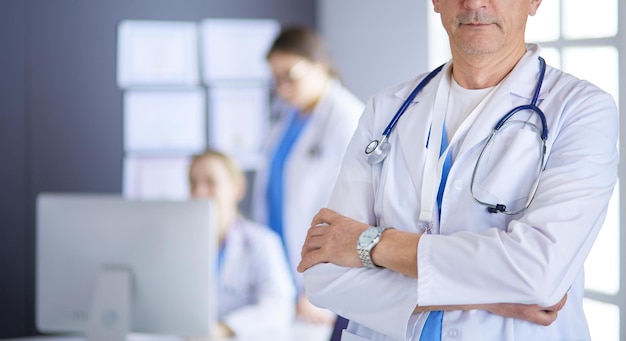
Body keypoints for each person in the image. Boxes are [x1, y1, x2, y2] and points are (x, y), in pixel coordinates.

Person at [297, 0, 619, 340]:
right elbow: (324, 275)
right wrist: (489, 295)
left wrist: (369, 244)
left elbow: (538, 272)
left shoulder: (581, 109)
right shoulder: (387, 108)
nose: (475, 3)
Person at [252, 25, 364, 326]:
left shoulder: (348, 119)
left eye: (291, 75)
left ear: (320, 65)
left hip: (321, 278)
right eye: (276, 78)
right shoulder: (285, 116)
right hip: (281, 266)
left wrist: (322, 282)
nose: (282, 87)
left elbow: (352, 211)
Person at [188, 149, 296, 339]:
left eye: (210, 183)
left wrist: (224, 328)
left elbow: (278, 307)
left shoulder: (262, 243)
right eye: (193, 183)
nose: (199, 192)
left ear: (237, 189)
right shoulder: (180, 246)